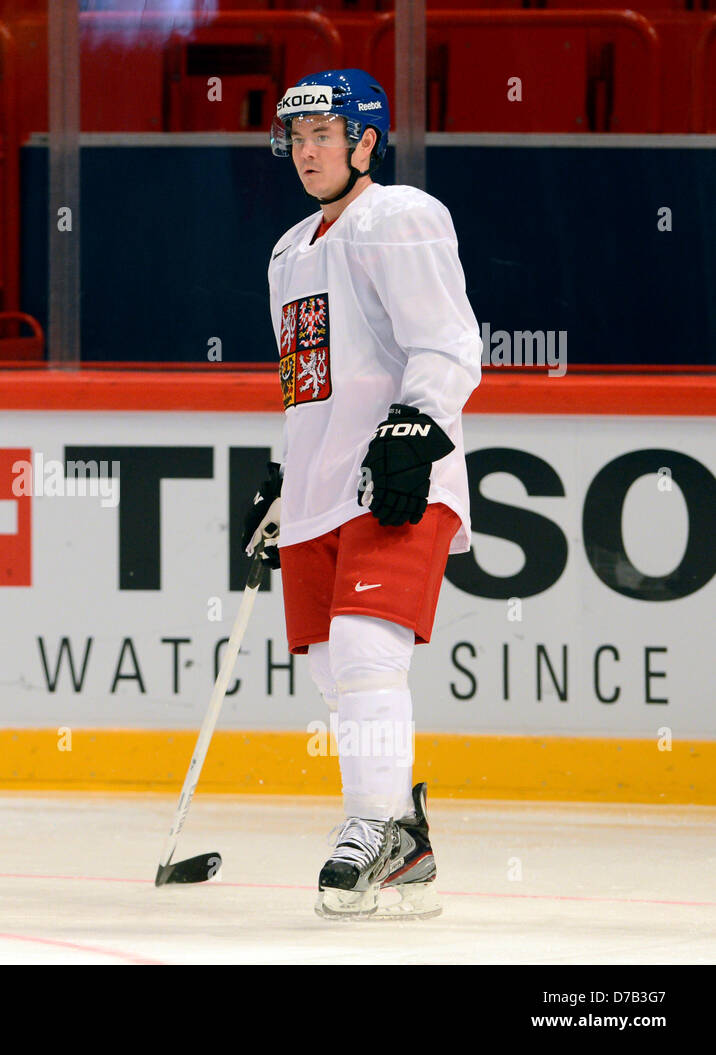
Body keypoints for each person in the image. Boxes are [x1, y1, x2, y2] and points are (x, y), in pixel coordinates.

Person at [241, 69, 481, 919]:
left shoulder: (402, 215)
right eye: (297, 138)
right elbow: (306, 384)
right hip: (317, 488)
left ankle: (370, 825)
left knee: (367, 648)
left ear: (365, 142)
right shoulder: (286, 248)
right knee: (326, 665)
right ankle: (407, 840)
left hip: (396, 476)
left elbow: (451, 343)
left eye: (323, 136)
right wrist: (282, 476)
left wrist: (417, 425)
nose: (306, 153)